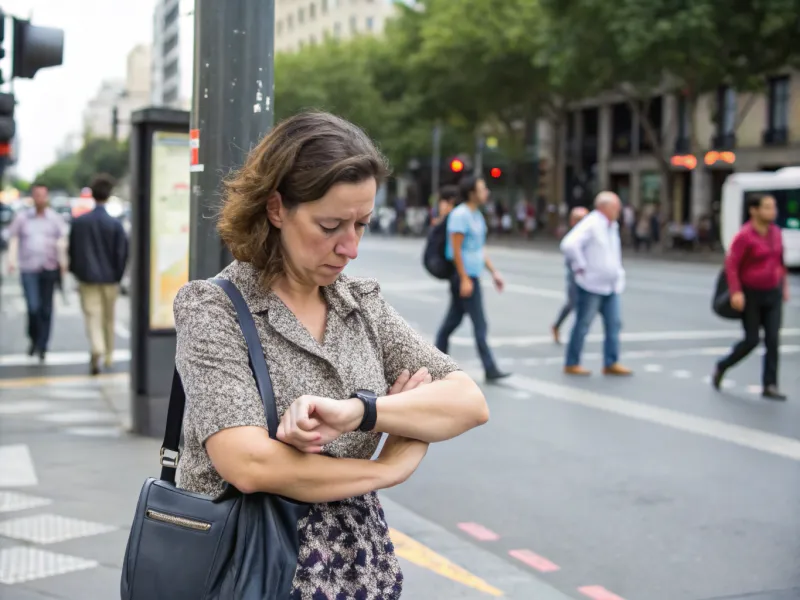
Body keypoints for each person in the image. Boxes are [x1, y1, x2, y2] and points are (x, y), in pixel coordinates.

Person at [173, 111, 490, 600]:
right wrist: (389, 465)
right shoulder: (214, 308)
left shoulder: (360, 304)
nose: (351, 247)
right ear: (276, 208)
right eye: (330, 224)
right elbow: (250, 465)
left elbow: (468, 401)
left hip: (360, 567)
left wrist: (361, 413)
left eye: (361, 224)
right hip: (249, 569)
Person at [434, 175, 509, 381]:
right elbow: (456, 249)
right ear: (472, 193)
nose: (487, 193)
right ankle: (490, 368)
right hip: (464, 276)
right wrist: (464, 277)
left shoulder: (477, 215)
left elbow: (478, 249)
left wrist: (494, 272)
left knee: (452, 322)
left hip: (472, 275)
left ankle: (435, 362)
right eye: (483, 189)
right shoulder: (460, 215)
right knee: (480, 323)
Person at [712, 193, 788, 400]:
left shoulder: (776, 233)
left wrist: (784, 286)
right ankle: (723, 365)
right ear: (754, 210)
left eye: (773, 207)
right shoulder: (745, 236)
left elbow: (780, 261)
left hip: (773, 293)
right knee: (752, 340)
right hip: (751, 294)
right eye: (767, 207)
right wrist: (736, 291)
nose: (773, 211)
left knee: (773, 339)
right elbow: (732, 265)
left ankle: (770, 384)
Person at [560, 191, 632, 376]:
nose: (619, 210)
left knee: (614, 324)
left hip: (611, 285)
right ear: (605, 207)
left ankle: (611, 361)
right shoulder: (592, 223)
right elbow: (569, 244)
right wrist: (581, 265)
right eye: (616, 207)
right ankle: (572, 361)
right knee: (583, 324)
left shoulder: (611, 225)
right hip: (591, 285)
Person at [68, 174, 129, 375]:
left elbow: (73, 251)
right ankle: (109, 355)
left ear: (91, 195)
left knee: (93, 317)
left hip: (87, 279)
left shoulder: (79, 222)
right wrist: (117, 277)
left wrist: (77, 273)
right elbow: (122, 253)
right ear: (109, 195)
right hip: (110, 279)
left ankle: (97, 349)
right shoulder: (115, 224)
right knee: (109, 319)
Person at [6, 183, 67, 361]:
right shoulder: (22, 218)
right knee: (33, 307)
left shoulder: (55, 219)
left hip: (49, 267)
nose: (40, 199)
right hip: (29, 268)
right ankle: (34, 338)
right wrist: (11, 260)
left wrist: (63, 263)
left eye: (43, 195)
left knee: (46, 309)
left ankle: (42, 344)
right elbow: (14, 239)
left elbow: (62, 241)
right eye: (37, 195)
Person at [551, 205, 589, 343]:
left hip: (589, 276)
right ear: (572, 221)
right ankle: (558, 326)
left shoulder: (589, 236)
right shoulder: (571, 239)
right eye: (579, 219)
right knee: (573, 304)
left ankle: (578, 334)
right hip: (575, 275)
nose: (582, 222)